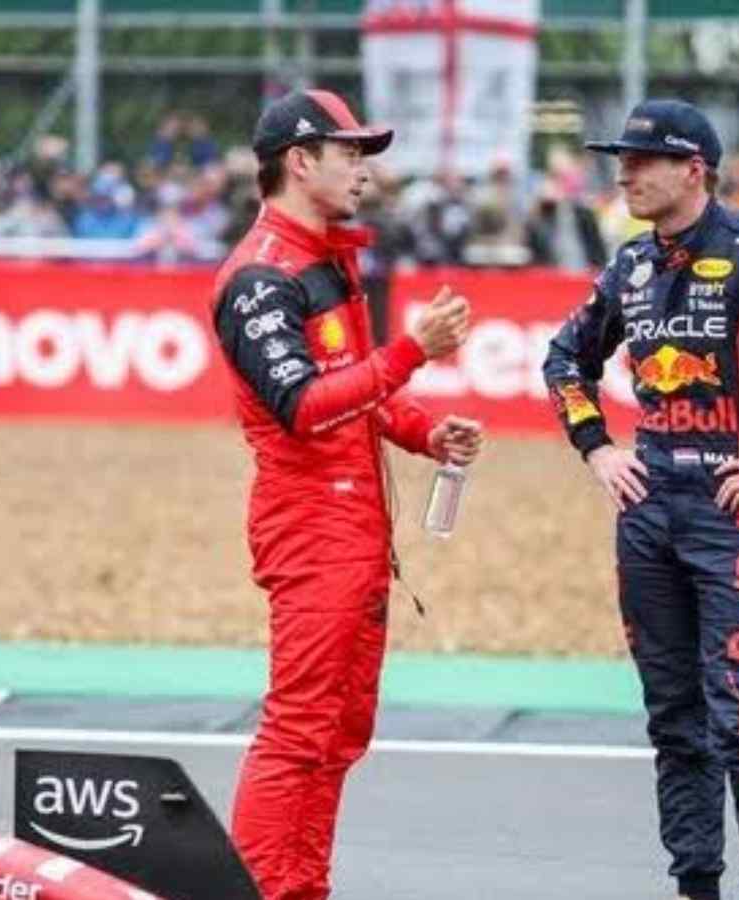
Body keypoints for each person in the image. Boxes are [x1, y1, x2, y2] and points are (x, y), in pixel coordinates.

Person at [542, 99, 739, 900]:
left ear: (695, 169)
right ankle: (694, 885)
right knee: (674, 724)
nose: (624, 172)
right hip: (647, 512)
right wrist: (598, 449)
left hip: (733, 517)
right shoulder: (630, 265)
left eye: (642, 159)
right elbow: (563, 361)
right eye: (619, 157)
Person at [210, 88, 483, 900]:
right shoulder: (261, 277)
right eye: (350, 152)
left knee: (338, 733)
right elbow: (302, 406)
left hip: (356, 522)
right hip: (311, 525)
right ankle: (264, 889)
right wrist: (411, 353)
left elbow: (353, 394)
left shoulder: (328, 257)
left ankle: (303, 889)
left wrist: (426, 432)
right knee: (299, 731)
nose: (364, 171)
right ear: (300, 161)